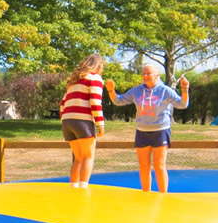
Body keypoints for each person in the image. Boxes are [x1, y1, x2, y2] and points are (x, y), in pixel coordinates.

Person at [110, 62, 188, 192]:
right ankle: (146, 194)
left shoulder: (165, 91)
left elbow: (182, 104)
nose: (145, 76)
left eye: (148, 73)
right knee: (144, 166)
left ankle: (163, 195)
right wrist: (111, 90)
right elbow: (118, 100)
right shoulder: (137, 91)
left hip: (160, 131)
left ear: (156, 75)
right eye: (143, 74)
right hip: (142, 132)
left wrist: (185, 90)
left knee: (159, 166)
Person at [59, 54, 112, 188]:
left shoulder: (73, 81)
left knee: (78, 158)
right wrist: (100, 123)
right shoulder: (95, 78)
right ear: (99, 66)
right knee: (88, 156)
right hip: (83, 121)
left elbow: (62, 103)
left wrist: (64, 120)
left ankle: (73, 187)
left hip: (67, 121)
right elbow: (95, 102)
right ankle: (83, 188)